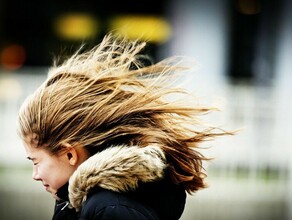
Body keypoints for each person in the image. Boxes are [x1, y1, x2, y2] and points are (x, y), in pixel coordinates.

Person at [18, 34, 231, 220]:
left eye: (36, 161)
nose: (35, 175)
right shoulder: (84, 200)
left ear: (70, 154)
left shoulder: (111, 209)